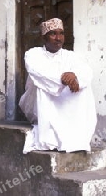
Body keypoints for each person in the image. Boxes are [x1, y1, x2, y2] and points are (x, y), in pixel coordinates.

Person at [19, 18, 96, 153]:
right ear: (44, 37)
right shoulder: (33, 54)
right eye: (53, 34)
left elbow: (86, 71)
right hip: (37, 102)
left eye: (61, 33)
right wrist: (64, 78)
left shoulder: (70, 56)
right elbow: (41, 74)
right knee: (43, 86)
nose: (58, 38)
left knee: (85, 86)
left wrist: (75, 76)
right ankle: (50, 133)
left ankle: (76, 134)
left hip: (64, 103)